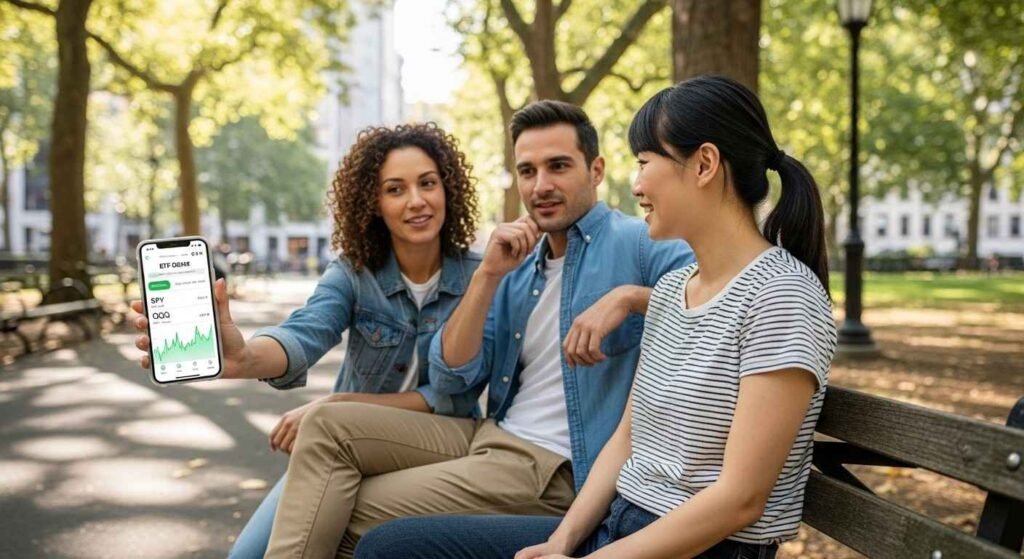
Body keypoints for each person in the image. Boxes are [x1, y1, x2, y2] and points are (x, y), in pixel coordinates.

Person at [354, 75, 838, 559]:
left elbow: (740, 501)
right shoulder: (674, 290)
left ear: (705, 164)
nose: (638, 184)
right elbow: (626, 439)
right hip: (617, 525)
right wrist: (559, 543)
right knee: (387, 547)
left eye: (645, 163)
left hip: (699, 547)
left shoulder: (782, 295)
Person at [261, 100, 693, 559]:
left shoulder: (641, 243)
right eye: (527, 171)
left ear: (596, 170)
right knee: (327, 424)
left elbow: (721, 300)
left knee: (347, 507)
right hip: (490, 433)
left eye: (558, 166)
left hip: (555, 466)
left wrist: (629, 298)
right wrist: (487, 276)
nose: (541, 186)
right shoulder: (518, 270)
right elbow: (452, 378)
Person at [129, 122, 483, 559]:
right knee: (247, 554)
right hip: (345, 446)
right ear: (374, 203)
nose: (416, 201)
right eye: (395, 189)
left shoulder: (481, 277)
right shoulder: (355, 273)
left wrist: (334, 406)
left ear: (447, 188)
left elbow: (451, 397)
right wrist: (244, 356)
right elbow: (304, 332)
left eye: (427, 183)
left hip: (438, 444)